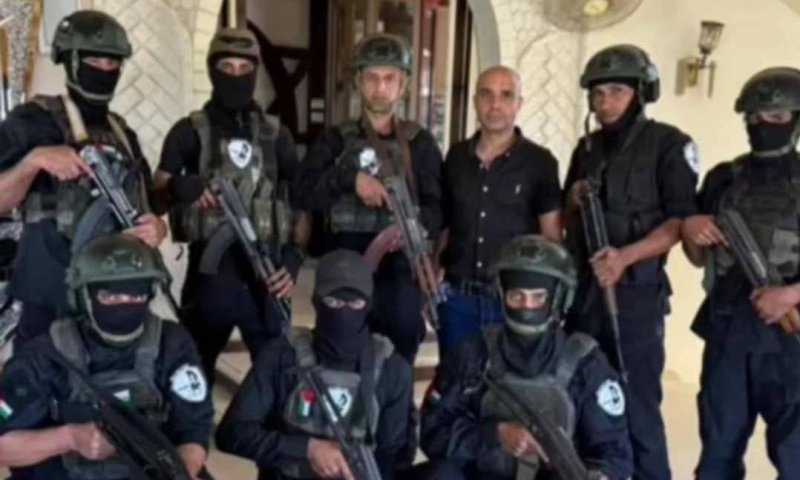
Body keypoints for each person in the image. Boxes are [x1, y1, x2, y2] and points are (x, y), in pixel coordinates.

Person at [563, 44, 699, 480]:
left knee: (637, 405)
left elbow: (680, 222)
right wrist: (573, 199)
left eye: (617, 92)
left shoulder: (669, 145)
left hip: (636, 298)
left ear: (641, 93)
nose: (606, 103)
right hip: (586, 295)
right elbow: (564, 216)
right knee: (583, 397)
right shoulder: (587, 148)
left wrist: (625, 257)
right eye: (599, 94)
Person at [0, 10, 167, 345]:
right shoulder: (31, 121)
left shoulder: (123, 133)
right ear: (71, 60)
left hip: (112, 297)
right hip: (49, 297)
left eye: (113, 62)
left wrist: (158, 228)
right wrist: (34, 160)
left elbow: (145, 204)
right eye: (94, 60)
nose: (104, 70)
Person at [154, 28, 307, 384]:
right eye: (227, 67)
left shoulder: (276, 134)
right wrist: (179, 186)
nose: (236, 76)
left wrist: (294, 260)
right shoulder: (189, 130)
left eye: (244, 68)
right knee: (192, 375)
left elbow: (299, 203)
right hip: (209, 278)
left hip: (266, 274)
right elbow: (154, 195)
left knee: (276, 376)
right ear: (212, 70)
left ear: (255, 72)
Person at [418, 235, 632, 480]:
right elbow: (432, 432)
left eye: (538, 297)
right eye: (516, 296)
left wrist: (602, 476)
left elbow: (615, 454)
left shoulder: (585, 363)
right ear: (501, 295)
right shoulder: (474, 354)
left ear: (559, 298)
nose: (527, 307)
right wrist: (495, 435)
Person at [0, 234, 213, 479]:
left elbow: (194, 429)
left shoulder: (172, 343)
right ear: (84, 296)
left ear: (150, 294)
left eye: (136, 296)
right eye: (109, 296)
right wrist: (68, 438)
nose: (124, 304)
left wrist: (182, 472)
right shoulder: (44, 356)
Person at [292, 33, 442, 364]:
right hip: (344, 259)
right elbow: (301, 191)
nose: (380, 87)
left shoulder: (420, 143)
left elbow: (438, 207)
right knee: (340, 345)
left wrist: (412, 227)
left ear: (403, 85)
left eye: (389, 79)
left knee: (401, 337)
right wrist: (349, 179)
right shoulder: (335, 139)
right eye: (372, 78)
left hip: (398, 264)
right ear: (359, 82)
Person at [681, 67, 800, 479]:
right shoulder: (723, 178)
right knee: (718, 453)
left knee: (795, 456)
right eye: (754, 117)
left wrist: (790, 295)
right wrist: (691, 229)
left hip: (789, 341)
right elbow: (698, 258)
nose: (763, 125)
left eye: (776, 117)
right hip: (728, 331)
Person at [215, 249, 414, 480]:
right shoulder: (282, 355)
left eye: (356, 302)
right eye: (333, 301)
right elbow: (232, 433)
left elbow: (394, 454)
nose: (344, 311)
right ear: (316, 302)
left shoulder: (391, 369)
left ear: (369, 305)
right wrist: (307, 449)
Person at [436, 65, 562, 356]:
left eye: (506, 95)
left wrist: (549, 304)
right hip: (458, 302)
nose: (495, 104)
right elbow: (446, 224)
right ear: (475, 101)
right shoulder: (456, 157)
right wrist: (432, 277)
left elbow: (552, 237)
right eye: (487, 94)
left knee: (508, 382)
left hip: (513, 305)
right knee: (456, 379)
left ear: (519, 103)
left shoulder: (540, 162)